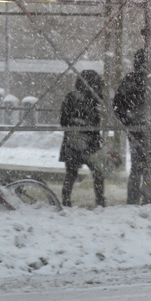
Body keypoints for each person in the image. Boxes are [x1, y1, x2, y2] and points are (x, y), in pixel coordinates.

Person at [114, 49, 151, 205]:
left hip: (135, 133)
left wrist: (129, 123)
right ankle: (150, 198)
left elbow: (117, 107)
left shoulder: (129, 81)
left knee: (137, 169)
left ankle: (132, 201)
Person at [58, 69, 106, 207]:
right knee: (98, 173)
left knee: (71, 174)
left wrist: (74, 126)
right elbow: (97, 121)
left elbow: (63, 121)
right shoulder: (96, 99)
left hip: (71, 142)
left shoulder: (70, 97)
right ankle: (100, 201)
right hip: (92, 143)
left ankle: (66, 201)